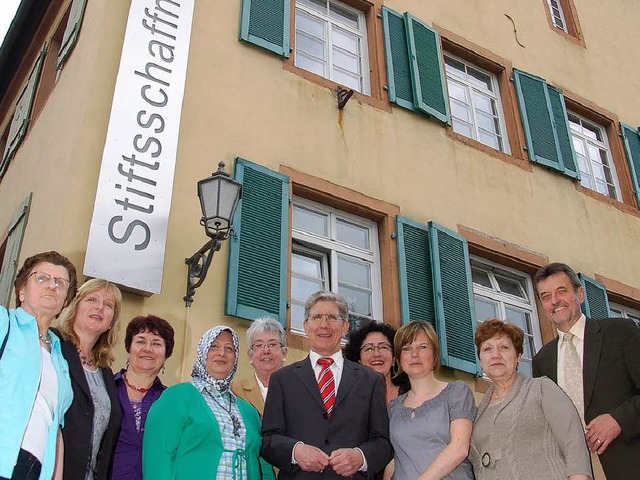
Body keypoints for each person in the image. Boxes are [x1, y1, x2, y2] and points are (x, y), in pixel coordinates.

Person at [261, 291, 393, 479]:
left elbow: (384, 443)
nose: (324, 324)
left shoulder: (371, 380)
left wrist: (360, 456)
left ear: (345, 326)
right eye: (317, 317)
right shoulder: (282, 380)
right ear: (306, 326)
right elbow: (268, 440)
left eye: (332, 317)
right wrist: (296, 451)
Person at [532, 262, 640, 480]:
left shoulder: (619, 332)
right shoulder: (542, 360)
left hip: (627, 462)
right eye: (545, 296)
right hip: (572, 471)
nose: (554, 301)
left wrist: (618, 419)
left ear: (579, 294)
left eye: (561, 291)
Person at [143, 325, 275, 479]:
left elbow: (263, 465)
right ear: (203, 352)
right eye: (214, 346)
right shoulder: (175, 397)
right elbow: (158, 460)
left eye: (229, 349)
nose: (222, 353)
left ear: (236, 357)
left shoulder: (248, 411)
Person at [470, 319, 591, 480]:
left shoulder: (541, 388)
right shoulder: (478, 412)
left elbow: (573, 441)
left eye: (504, 348)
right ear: (480, 359)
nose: (495, 355)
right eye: (487, 349)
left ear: (518, 356)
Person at [0, 251, 77, 480]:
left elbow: (55, 426)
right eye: (41, 278)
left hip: (34, 470)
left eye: (60, 283)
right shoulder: (5, 323)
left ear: (65, 301)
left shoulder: (60, 356)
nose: (51, 286)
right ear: (22, 291)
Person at [387, 320, 475, 480]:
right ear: (398, 358)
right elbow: (395, 459)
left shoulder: (457, 392)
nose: (414, 354)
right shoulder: (393, 407)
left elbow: (459, 448)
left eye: (422, 347)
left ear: (434, 353)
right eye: (406, 348)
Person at [56, 278, 123, 480]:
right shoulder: (54, 347)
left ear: (111, 321)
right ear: (75, 306)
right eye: (92, 299)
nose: (100, 307)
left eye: (108, 305)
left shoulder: (106, 373)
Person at [112, 315, 175, 480]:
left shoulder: (172, 401)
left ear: (166, 355)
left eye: (156, 344)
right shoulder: (105, 388)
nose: (148, 349)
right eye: (140, 341)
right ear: (129, 348)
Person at [232, 316, 287, 415]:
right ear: (250, 355)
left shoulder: (299, 389)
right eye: (259, 345)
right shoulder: (235, 390)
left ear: (285, 352)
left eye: (272, 344)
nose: (266, 351)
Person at [344, 320, 410, 403]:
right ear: (359, 360)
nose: (376, 354)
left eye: (383, 347)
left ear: (394, 358)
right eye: (369, 349)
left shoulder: (411, 395)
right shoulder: (348, 400)